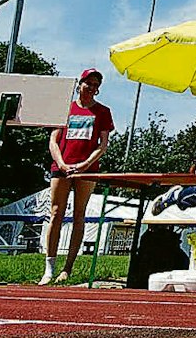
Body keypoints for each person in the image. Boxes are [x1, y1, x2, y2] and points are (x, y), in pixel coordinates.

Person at [40, 68, 113, 285]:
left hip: (87, 169)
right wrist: (62, 163)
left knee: (79, 214)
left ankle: (68, 268)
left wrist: (84, 165)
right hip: (61, 166)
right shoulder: (65, 108)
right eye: (88, 83)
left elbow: (102, 145)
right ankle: (49, 267)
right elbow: (53, 140)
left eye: (95, 85)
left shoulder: (103, 112)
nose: (91, 88)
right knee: (56, 212)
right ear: (80, 84)